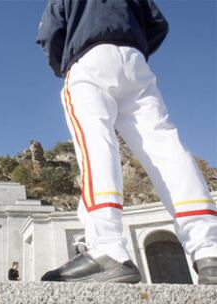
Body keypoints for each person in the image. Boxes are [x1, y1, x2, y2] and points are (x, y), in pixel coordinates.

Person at [37, 0, 217, 284]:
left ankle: (107, 248)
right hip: (134, 60)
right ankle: (209, 250)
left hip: (88, 58)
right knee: (164, 144)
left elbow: (50, 32)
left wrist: (65, 63)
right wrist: (133, 47)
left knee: (96, 144)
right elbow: (158, 24)